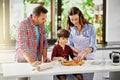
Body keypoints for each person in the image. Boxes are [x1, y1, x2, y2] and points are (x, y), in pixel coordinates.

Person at [15, 6, 51, 80]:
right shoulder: (23, 24)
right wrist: (31, 62)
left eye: (45, 18)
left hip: (35, 60)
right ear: (34, 17)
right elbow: (23, 45)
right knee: (23, 79)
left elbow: (44, 42)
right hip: (23, 61)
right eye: (43, 19)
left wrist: (44, 57)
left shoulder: (42, 26)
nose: (45, 21)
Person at [67, 7, 97, 80]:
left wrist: (84, 52)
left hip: (89, 59)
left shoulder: (90, 28)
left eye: (76, 19)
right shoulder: (71, 29)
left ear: (80, 17)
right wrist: (79, 52)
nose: (74, 22)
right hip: (76, 59)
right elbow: (70, 45)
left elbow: (94, 46)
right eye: (72, 19)